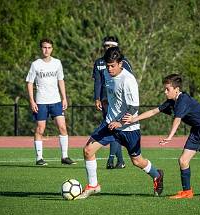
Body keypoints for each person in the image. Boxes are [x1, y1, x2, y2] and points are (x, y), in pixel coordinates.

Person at [77, 47, 164, 199]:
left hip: (129, 128)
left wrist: (119, 123)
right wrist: (104, 101)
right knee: (88, 150)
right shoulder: (105, 72)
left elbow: (133, 108)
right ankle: (93, 185)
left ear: (121, 64)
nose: (109, 69)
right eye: (107, 65)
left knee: (137, 161)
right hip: (110, 123)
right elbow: (111, 94)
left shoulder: (128, 80)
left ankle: (157, 175)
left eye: (113, 65)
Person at [26, 38, 76, 166]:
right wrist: (32, 101)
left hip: (56, 101)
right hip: (41, 101)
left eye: (49, 47)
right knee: (40, 129)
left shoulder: (57, 63)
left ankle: (64, 157)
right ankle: (39, 158)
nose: (46, 50)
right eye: (44, 47)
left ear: (52, 49)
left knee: (63, 127)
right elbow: (30, 83)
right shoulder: (35, 64)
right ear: (41, 49)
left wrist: (64, 98)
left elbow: (61, 80)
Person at [93, 36, 132, 169]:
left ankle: (112, 159)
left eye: (110, 45)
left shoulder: (124, 62)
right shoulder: (99, 62)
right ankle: (120, 161)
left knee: (114, 129)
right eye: (105, 46)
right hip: (105, 100)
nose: (107, 48)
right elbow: (98, 82)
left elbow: (129, 81)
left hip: (119, 102)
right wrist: (97, 98)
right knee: (112, 129)